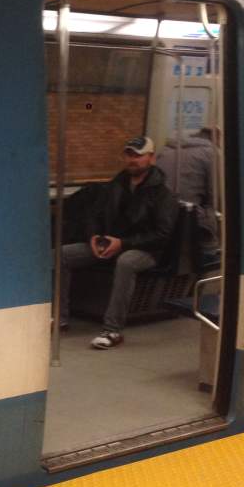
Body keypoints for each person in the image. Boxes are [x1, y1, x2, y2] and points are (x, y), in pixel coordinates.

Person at [59, 136, 179, 350]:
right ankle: (59, 317)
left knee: (126, 262)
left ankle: (112, 329)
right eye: (129, 155)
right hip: (112, 243)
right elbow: (93, 216)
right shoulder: (115, 186)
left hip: (147, 249)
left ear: (151, 159)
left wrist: (122, 243)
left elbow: (162, 234)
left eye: (138, 156)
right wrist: (93, 237)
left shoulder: (162, 194)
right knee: (61, 254)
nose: (133, 160)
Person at [155, 126, 218, 249]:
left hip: (159, 217)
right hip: (189, 219)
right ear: (217, 138)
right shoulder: (210, 153)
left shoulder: (164, 151)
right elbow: (215, 194)